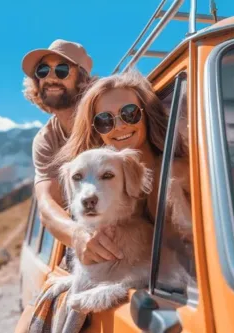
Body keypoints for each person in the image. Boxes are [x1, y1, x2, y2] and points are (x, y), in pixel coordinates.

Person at [50, 70, 195, 267]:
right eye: (104, 121)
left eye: (129, 114)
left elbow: (187, 249)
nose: (118, 126)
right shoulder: (93, 184)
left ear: (146, 115)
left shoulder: (176, 173)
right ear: (96, 131)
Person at [22, 39, 124, 267]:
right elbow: (47, 204)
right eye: (42, 71)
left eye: (61, 70)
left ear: (83, 78)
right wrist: (77, 235)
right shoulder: (46, 139)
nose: (50, 78)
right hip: (92, 246)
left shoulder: (108, 116)